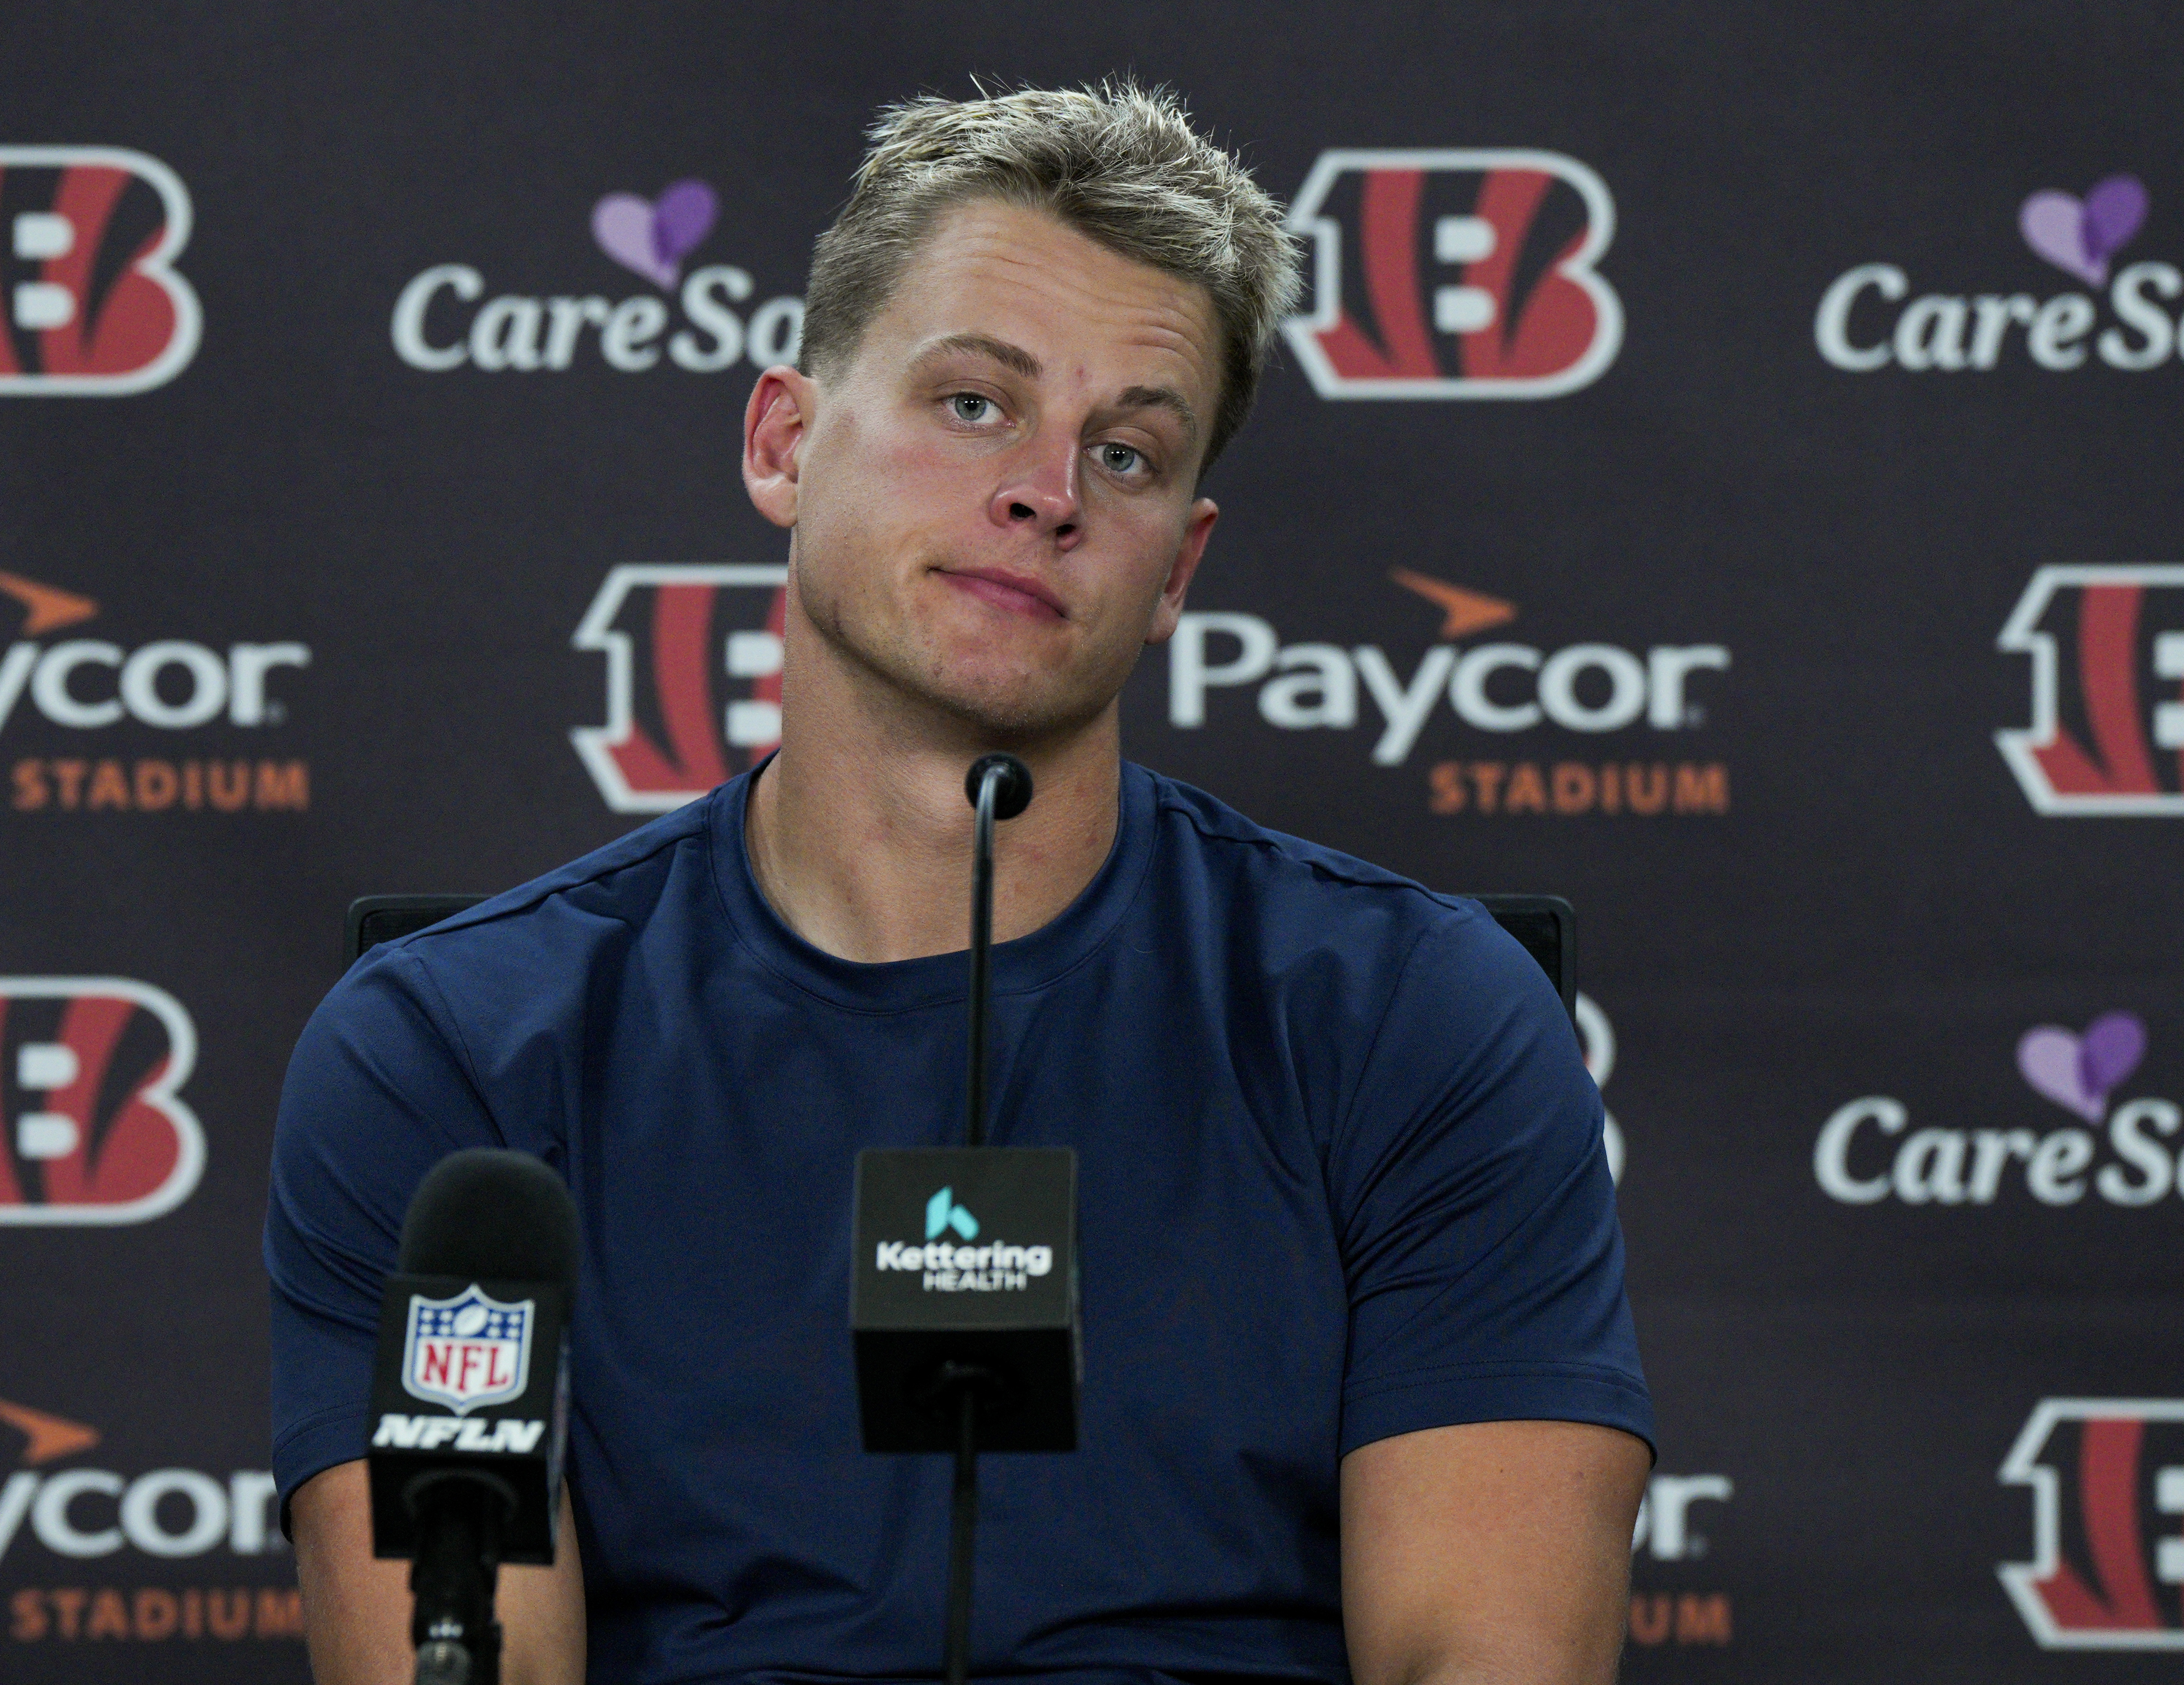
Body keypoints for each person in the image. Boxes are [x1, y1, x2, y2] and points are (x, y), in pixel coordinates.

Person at [270, 81, 1653, 1685]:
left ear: (1177, 573)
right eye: (977, 404)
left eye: (1126, 452)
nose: (1048, 491)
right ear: (784, 442)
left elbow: (1483, 1661)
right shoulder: (451, 1060)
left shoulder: (1417, 1019)